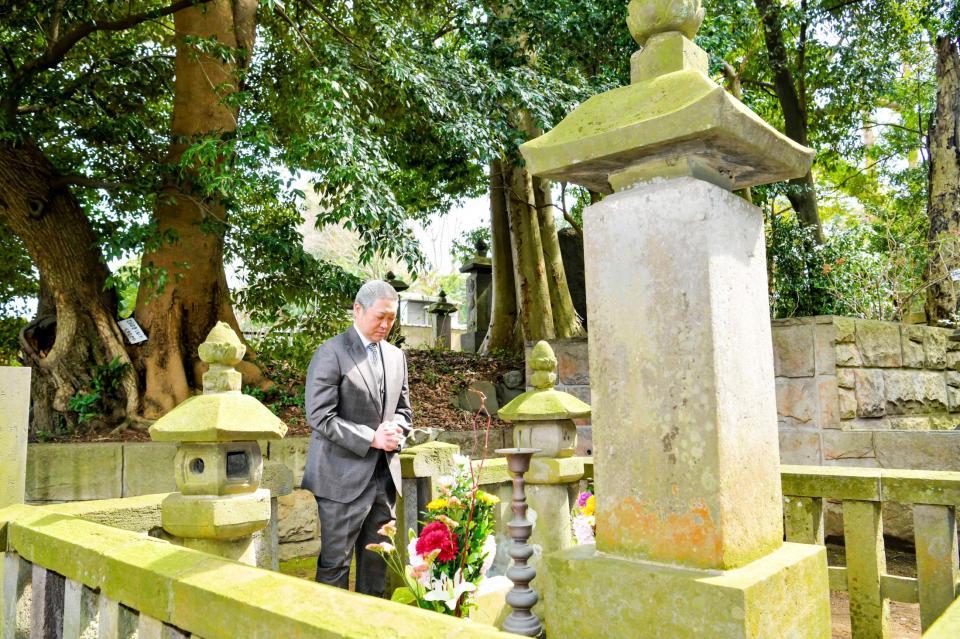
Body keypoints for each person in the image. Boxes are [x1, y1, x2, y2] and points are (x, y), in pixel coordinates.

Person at [301, 280, 412, 596]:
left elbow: (404, 411)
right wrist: (371, 437)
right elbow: (320, 416)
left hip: (384, 478)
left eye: (391, 318)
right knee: (335, 565)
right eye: (380, 317)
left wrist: (396, 430)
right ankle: (328, 623)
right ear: (358, 310)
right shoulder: (331, 352)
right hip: (339, 480)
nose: (386, 325)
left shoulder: (396, 357)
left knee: (378, 564)